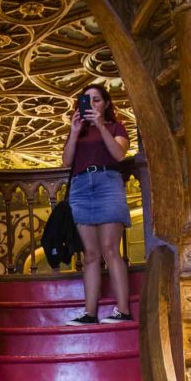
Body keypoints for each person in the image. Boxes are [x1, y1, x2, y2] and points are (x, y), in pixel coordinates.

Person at [62, 84, 132, 325]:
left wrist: (101, 126)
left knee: (110, 249)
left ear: (106, 104)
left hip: (107, 183)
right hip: (81, 188)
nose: (91, 104)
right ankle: (89, 313)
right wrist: (73, 131)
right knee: (90, 254)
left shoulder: (115, 127)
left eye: (97, 100)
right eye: (86, 100)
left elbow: (119, 155)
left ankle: (123, 310)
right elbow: (66, 161)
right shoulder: (78, 131)